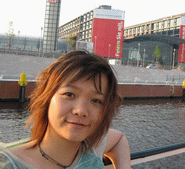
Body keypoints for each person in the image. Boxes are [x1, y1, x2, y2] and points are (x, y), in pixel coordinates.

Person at [0, 50, 131, 169]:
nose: (81, 111)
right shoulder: (10, 164)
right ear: (47, 97)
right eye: (69, 94)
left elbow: (118, 139)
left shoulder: (92, 148)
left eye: (96, 101)